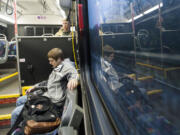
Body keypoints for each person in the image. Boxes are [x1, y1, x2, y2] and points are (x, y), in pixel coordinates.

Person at [11, 48, 79, 127]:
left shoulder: (66, 67)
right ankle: (23, 124)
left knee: (15, 113)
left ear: (59, 59)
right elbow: (49, 82)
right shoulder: (57, 68)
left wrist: (74, 79)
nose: (50, 63)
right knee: (19, 100)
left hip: (52, 102)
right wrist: (35, 86)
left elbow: (73, 73)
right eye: (49, 60)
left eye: (52, 61)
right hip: (46, 94)